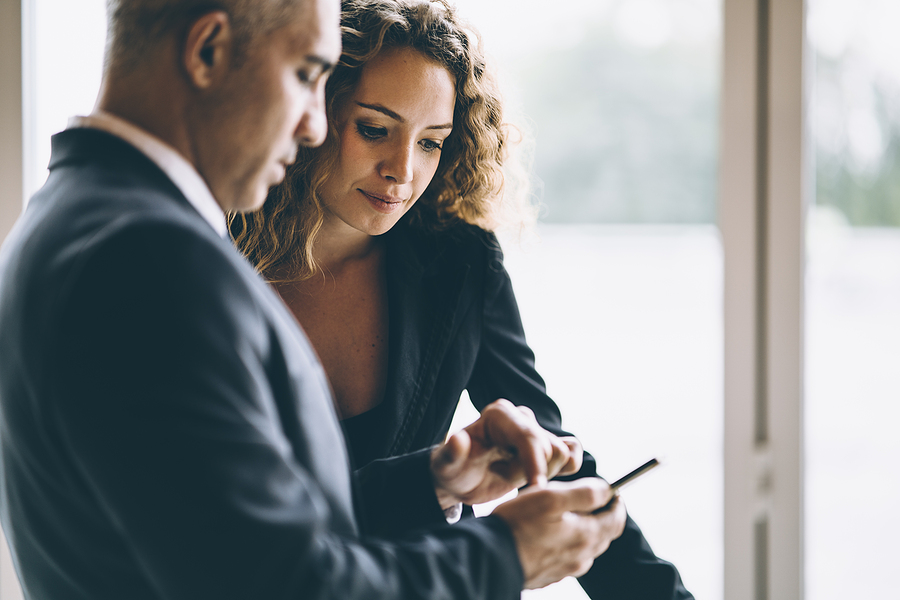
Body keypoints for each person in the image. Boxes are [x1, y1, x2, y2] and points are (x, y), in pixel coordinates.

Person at [0, 0, 629, 598]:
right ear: (209, 50)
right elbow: (282, 587)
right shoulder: (155, 258)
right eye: (306, 76)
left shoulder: (66, 220)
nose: (310, 124)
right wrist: (506, 555)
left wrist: (428, 482)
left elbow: (217, 530)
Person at [232, 0, 694, 598]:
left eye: (431, 143)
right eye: (376, 129)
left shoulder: (457, 262)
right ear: (310, 113)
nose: (402, 171)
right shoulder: (221, 259)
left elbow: (547, 453)